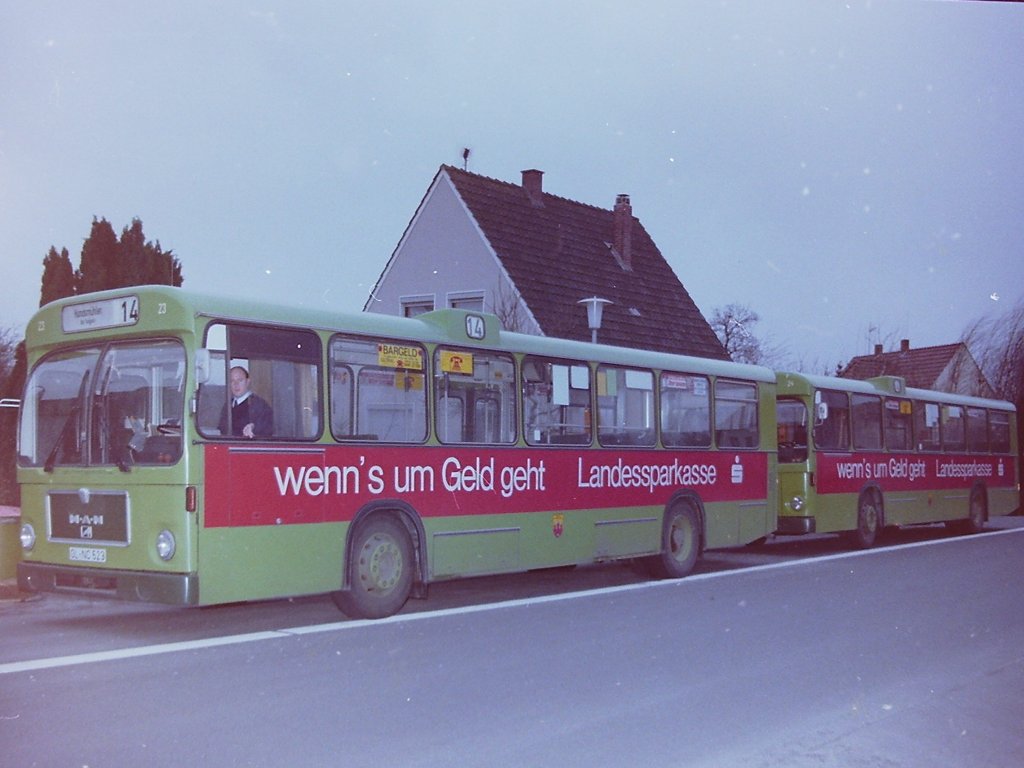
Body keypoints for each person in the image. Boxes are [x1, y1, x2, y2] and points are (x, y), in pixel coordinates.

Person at [218, 366, 273, 438]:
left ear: (247, 382)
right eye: (232, 381)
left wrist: (254, 428)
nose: (236, 384)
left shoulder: (259, 405)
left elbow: (269, 428)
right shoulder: (227, 406)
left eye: (240, 380)